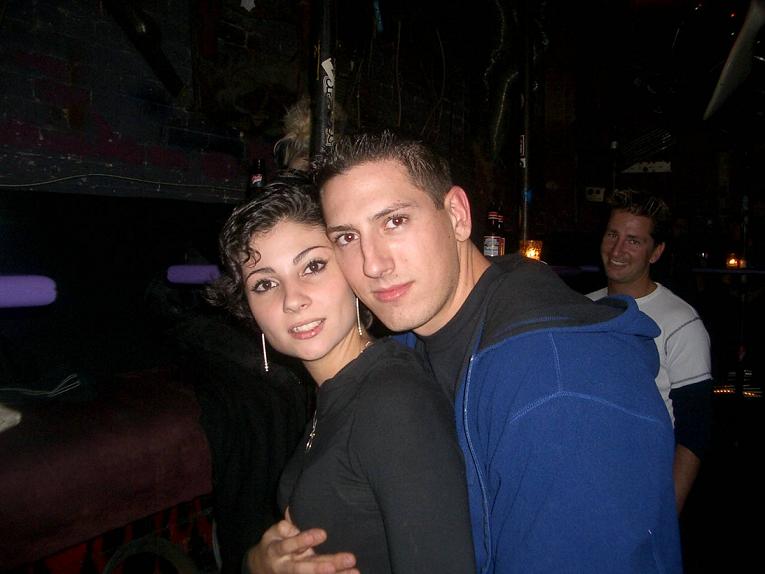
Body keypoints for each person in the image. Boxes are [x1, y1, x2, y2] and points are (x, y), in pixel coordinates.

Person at [248, 131, 683, 574]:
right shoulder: (417, 338)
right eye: (346, 237)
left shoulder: (560, 387)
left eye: (394, 221)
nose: (373, 264)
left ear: (457, 215)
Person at [208, 174, 476, 574]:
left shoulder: (393, 402)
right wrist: (258, 563)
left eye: (313, 266)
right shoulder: (338, 390)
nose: (292, 299)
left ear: (353, 272)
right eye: (264, 283)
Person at [587, 189, 713, 513]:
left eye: (633, 240)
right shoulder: (582, 309)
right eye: (612, 234)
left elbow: (695, 432)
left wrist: (666, 514)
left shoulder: (681, 322)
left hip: (642, 491)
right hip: (585, 487)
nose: (617, 249)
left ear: (655, 252)